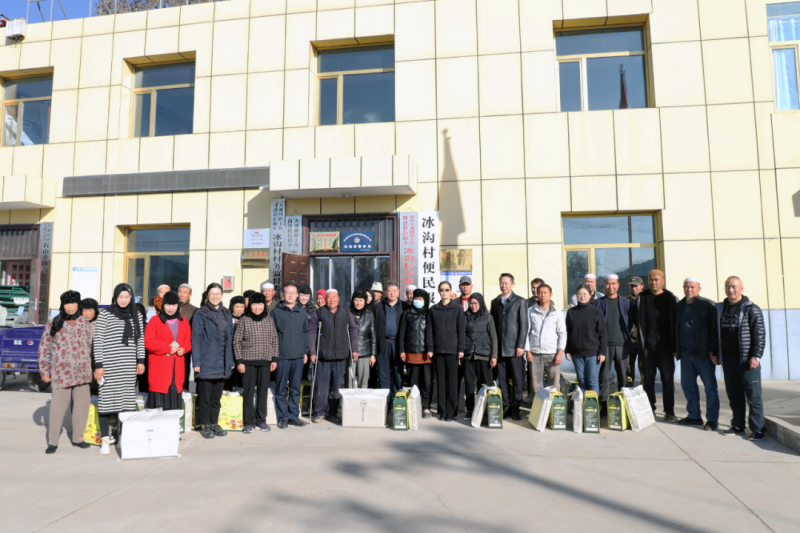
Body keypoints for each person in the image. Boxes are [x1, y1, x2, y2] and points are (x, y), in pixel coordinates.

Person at [93, 283, 145, 455]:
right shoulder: (105, 314)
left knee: (126, 404)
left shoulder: (136, 315)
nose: (123, 300)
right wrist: (99, 365)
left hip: (128, 367)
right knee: (106, 403)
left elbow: (140, 340)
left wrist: (141, 361)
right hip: (108, 367)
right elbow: (98, 340)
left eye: (127, 297)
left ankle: (124, 438)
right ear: (115, 297)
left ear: (131, 298)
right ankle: (105, 441)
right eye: (120, 297)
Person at [39, 290, 93, 454]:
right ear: (62, 305)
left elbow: (90, 346)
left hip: (82, 372)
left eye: (73, 302)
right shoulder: (54, 323)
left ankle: (78, 438)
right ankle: (53, 442)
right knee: (57, 409)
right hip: (61, 373)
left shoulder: (84, 322)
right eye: (67, 303)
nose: (70, 306)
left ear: (78, 304)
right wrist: (44, 370)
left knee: (82, 408)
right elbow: (44, 347)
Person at [717, 276, 766, 440]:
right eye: (727, 286)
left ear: (741, 288)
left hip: (747, 361)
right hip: (728, 360)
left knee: (753, 396)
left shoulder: (751, 309)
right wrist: (715, 353)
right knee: (734, 395)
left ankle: (758, 428)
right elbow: (715, 333)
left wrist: (756, 356)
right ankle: (738, 425)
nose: (730, 289)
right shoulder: (720, 309)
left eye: (734, 286)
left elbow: (759, 334)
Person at [674, 277, 719, 431]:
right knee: (688, 386)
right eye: (686, 287)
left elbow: (714, 330)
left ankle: (712, 420)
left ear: (699, 289)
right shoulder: (679, 306)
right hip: (686, 353)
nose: (689, 290)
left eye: (692, 287)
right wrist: (676, 348)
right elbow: (675, 328)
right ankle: (694, 416)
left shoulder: (708, 305)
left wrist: (714, 350)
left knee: (710, 388)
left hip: (704, 355)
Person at [191, 283, 235, 439]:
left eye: (218, 293)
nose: (215, 296)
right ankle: (206, 425)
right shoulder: (200, 313)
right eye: (212, 293)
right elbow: (196, 338)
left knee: (216, 398)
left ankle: (214, 423)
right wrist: (196, 362)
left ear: (222, 295)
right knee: (205, 398)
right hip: (206, 361)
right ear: (207, 296)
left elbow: (230, 340)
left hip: (222, 362)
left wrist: (230, 360)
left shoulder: (226, 313)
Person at [309, 289, 359, 424]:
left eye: (334, 297)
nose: (331, 300)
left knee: (336, 387)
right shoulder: (318, 313)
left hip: (341, 355)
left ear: (339, 298)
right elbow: (312, 332)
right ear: (325, 299)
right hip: (323, 355)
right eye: (329, 297)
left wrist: (354, 349)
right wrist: (312, 351)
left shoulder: (346, 312)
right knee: (322, 386)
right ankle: (320, 412)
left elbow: (353, 329)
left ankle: (332, 413)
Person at [635, 269, 679, 421]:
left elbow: (676, 324)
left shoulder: (670, 298)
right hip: (648, 348)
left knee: (668, 380)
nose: (653, 282)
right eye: (650, 279)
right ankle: (650, 409)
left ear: (663, 281)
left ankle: (669, 410)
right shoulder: (642, 298)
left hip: (666, 348)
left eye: (656, 279)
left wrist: (675, 347)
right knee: (648, 381)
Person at [233, 292, 279, 434]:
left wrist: (274, 358)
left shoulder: (268, 319)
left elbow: (275, 339)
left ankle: (260, 421)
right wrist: (240, 361)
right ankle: (248, 422)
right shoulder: (244, 320)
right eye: (254, 304)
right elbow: (236, 341)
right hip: (248, 362)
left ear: (264, 305)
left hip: (265, 361)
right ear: (250, 305)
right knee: (248, 393)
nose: (257, 307)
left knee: (262, 392)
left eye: (260, 304)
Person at [594, 274, 635, 416]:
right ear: (604, 285)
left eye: (613, 283)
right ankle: (604, 406)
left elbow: (632, 322)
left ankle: (623, 405)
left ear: (618, 285)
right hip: (604, 346)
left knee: (623, 377)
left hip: (622, 345)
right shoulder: (598, 303)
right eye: (607, 283)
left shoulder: (627, 303)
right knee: (603, 377)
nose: (610, 286)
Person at [490, 273, 529, 420]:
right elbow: (493, 326)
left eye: (506, 283)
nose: (503, 285)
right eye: (501, 283)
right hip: (500, 348)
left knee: (518, 379)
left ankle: (515, 408)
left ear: (512, 284)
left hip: (514, 349)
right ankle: (506, 406)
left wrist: (520, 345)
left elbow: (524, 325)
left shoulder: (520, 301)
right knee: (502, 379)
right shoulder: (495, 302)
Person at [271, 283, 309, 429]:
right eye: (288, 292)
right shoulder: (276, 312)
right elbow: (272, 335)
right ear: (283, 295)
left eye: (293, 293)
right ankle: (283, 417)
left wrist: (305, 351)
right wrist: (274, 356)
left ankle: (293, 416)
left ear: (297, 295)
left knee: (295, 388)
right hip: (282, 356)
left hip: (298, 356)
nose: (291, 295)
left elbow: (306, 332)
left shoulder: (302, 311)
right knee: (281, 388)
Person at [144, 291, 191, 411]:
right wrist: (167, 348)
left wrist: (184, 349)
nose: (171, 308)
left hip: (177, 369)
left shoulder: (183, 321)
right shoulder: (155, 320)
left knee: (174, 402)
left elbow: (188, 340)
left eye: (174, 305)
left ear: (178, 306)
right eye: (168, 305)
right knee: (158, 405)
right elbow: (149, 342)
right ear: (163, 305)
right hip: (160, 369)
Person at [426, 281, 466, 421]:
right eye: (442, 290)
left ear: (451, 291)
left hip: (452, 350)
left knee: (453, 382)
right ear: (439, 291)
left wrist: (461, 349)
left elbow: (461, 331)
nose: (444, 292)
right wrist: (430, 348)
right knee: (441, 382)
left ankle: (451, 412)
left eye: (447, 290)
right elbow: (429, 330)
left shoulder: (457, 309)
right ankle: (442, 412)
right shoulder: (433, 309)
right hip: (438, 351)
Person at [565, 285, 607, 394]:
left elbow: (603, 333)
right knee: (582, 381)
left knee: (592, 381)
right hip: (576, 353)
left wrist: (602, 352)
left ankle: (593, 404)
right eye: (579, 293)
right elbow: (568, 332)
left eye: (585, 294)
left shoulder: (596, 311)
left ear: (590, 295)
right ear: (576, 295)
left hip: (593, 353)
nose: (582, 296)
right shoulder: (571, 312)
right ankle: (583, 403)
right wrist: (567, 350)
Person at [525, 284, 566, 393]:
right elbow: (526, 333)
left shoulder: (557, 312)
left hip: (552, 353)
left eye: (545, 293)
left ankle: (553, 403)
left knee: (554, 385)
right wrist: (527, 351)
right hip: (535, 353)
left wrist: (560, 353)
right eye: (540, 293)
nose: (542, 295)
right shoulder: (530, 311)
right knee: (536, 386)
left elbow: (562, 333)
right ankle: (538, 403)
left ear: (550, 295)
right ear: (537, 294)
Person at [462, 293, 497, 421]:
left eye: (476, 303)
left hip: (484, 356)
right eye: (471, 303)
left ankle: (486, 409)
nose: (473, 306)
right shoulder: (465, 316)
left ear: (481, 303)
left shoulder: (488, 317)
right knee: (469, 385)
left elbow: (493, 337)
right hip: (468, 356)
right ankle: (470, 409)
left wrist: (494, 355)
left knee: (485, 384)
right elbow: (462, 335)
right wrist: (461, 353)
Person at [399, 288, 433, 418]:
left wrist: (431, 349)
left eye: (420, 299)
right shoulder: (407, 313)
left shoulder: (429, 314)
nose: (418, 301)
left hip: (426, 355)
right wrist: (402, 350)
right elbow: (402, 333)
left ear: (425, 300)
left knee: (427, 382)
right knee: (413, 382)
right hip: (411, 353)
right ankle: (415, 405)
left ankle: (426, 407)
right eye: (416, 299)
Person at [373, 281, 403, 393]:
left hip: (398, 343)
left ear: (398, 292)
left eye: (394, 291)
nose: (392, 293)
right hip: (383, 343)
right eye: (389, 291)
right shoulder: (377, 307)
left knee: (398, 373)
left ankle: (397, 399)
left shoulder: (404, 306)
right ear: (385, 292)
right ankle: (386, 400)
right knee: (383, 374)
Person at [350, 290, 376, 389]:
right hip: (350, 351)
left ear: (365, 301)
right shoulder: (348, 313)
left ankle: (362, 399)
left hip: (365, 351)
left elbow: (373, 336)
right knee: (349, 380)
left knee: (364, 382)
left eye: (361, 300)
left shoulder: (370, 315)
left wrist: (373, 354)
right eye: (356, 300)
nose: (358, 303)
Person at [625, 276, 644, 385]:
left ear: (642, 286)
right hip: (629, 340)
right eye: (631, 286)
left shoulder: (646, 299)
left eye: (636, 286)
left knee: (644, 367)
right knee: (628, 368)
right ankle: (629, 389)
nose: (633, 288)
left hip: (643, 340)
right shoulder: (625, 301)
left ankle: (644, 390)